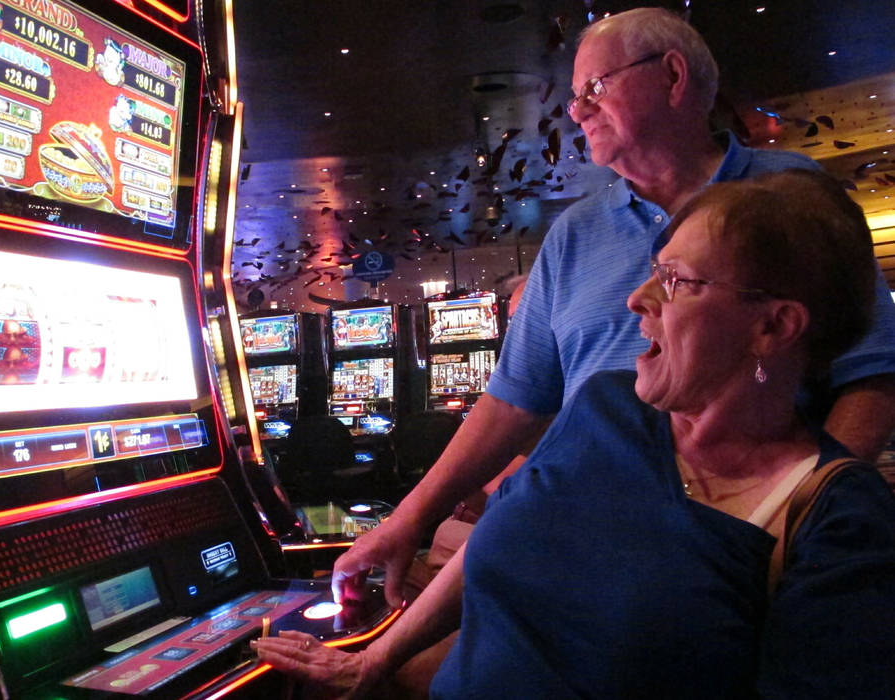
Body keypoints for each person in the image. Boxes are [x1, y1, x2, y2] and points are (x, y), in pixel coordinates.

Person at [331, 6, 895, 610]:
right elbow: (511, 400)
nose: (575, 111)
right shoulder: (574, 234)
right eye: (573, 96)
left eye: (594, 88)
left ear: (674, 76)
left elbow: (874, 372)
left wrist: (794, 519)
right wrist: (410, 518)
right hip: (580, 539)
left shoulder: (791, 197)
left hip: (734, 551)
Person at [253, 169, 895, 698]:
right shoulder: (605, 410)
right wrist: (376, 661)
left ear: (775, 327)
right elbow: (498, 542)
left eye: (676, 282)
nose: (637, 299)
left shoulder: (837, 513)